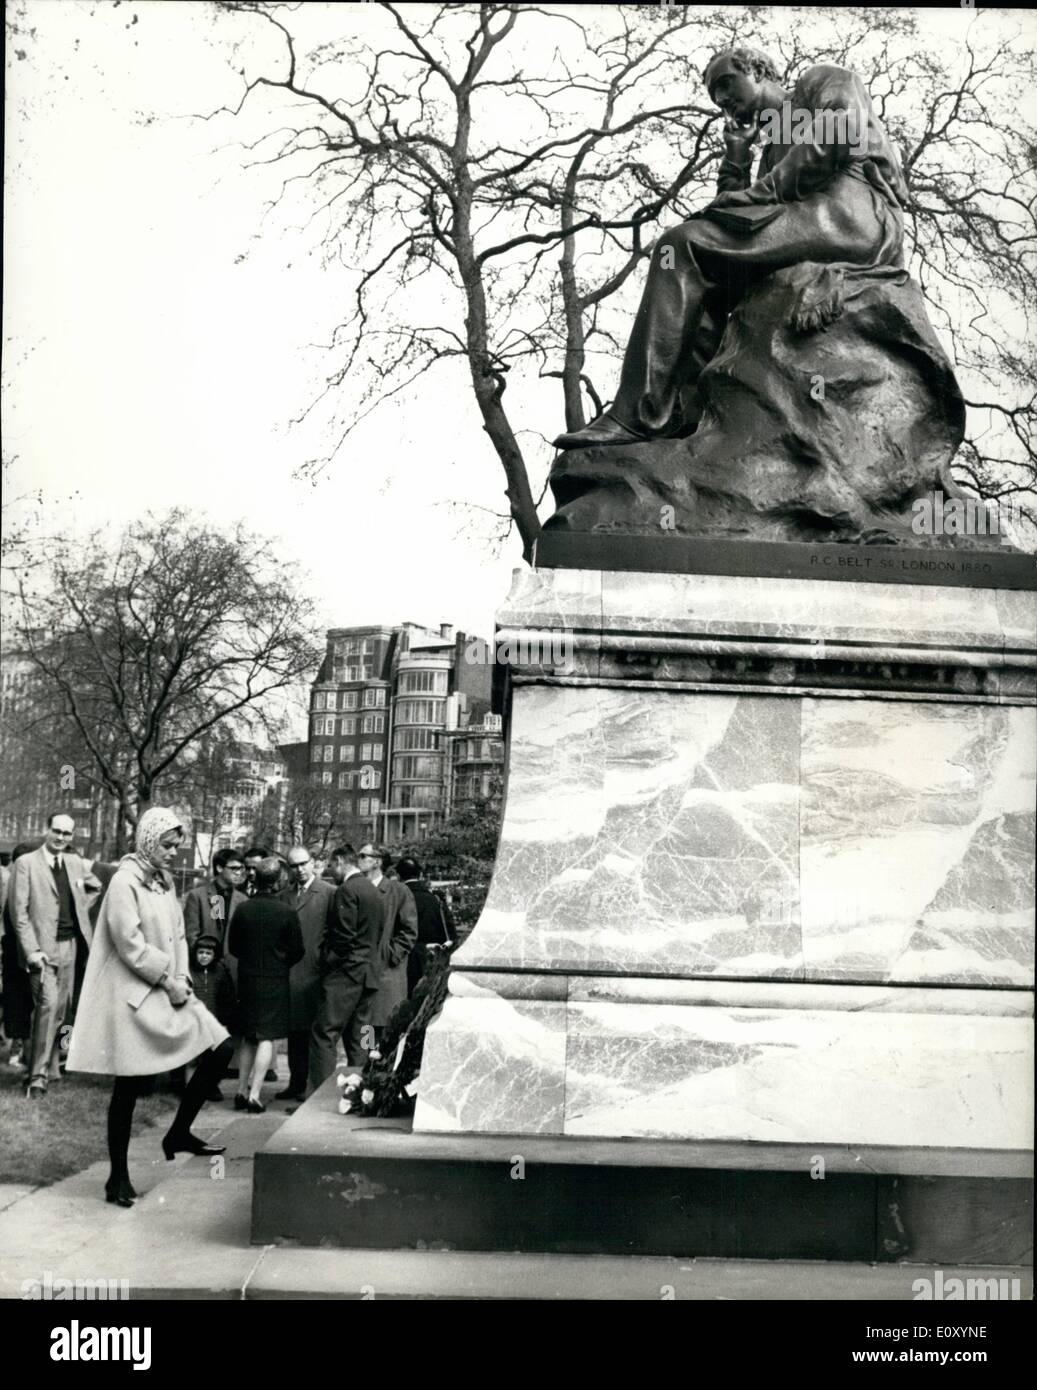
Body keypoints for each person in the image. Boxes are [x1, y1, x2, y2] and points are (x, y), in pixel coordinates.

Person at [554, 46, 908, 450]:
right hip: (814, 222)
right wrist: (737, 158)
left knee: (682, 246)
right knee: (700, 278)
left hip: (851, 214)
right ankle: (687, 421)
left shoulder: (820, 81)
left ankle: (638, 416)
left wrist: (767, 188)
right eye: (714, 96)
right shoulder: (772, 150)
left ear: (759, 70)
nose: (721, 99)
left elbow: (837, 133)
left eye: (726, 83)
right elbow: (732, 217)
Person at [65, 808, 233, 1208]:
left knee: (221, 1047)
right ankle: (117, 1177)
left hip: (170, 986)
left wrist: (182, 979)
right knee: (130, 1086)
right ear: (147, 840)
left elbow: (176, 934)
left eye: (177, 845)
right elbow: (129, 944)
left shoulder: (164, 881)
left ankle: (178, 1133)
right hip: (133, 994)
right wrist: (167, 979)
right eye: (167, 844)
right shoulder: (125, 881)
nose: (174, 852)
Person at [10, 813, 101, 1099]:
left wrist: (81, 911)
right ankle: (36, 1078)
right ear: (46, 830)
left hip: (71, 946)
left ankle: (48, 1066)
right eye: (57, 831)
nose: (61, 838)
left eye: (67, 834)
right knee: (47, 1008)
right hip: (42, 951)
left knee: (61, 1011)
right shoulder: (26, 864)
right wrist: (32, 950)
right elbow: (18, 914)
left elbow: (95, 885)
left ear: (72, 836)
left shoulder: (74, 863)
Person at [228, 857, 303, 1113]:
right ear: (278, 880)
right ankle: (255, 1095)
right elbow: (298, 950)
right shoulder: (286, 912)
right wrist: (279, 962)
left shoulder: (243, 909)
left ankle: (240, 1090)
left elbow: (233, 947)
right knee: (267, 1037)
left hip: (247, 977)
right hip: (274, 979)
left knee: (249, 1036)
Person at [308, 844, 385, 1092]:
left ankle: (318, 1095)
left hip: (346, 973)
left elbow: (343, 937)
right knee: (362, 1033)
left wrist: (327, 960)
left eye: (331, 865)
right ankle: (361, 1087)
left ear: (341, 861)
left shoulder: (347, 890)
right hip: (369, 973)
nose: (331, 871)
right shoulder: (373, 891)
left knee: (324, 1033)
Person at [277, 846, 335, 1102]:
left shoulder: (329, 894)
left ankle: (313, 1086)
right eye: (294, 866)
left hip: (316, 972)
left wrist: (326, 962)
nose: (299, 870)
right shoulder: (284, 896)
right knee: (294, 1033)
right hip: (290, 974)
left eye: (303, 864)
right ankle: (296, 1081)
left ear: (313, 863)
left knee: (315, 1032)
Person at [357, 845, 418, 1051]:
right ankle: (363, 1075)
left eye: (363, 855)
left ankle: (380, 1077)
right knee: (366, 1034)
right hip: (360, 977)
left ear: (378, 861)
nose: (359, 859)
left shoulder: (398, 891)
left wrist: (388, 956)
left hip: (386, 976)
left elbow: (409, 931)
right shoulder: (356, 889)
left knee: (386, 1035)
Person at [186, 933, 238, 1100]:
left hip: (213, 1020)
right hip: (192, 1019)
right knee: (191, 1057)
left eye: (208, 953)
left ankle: (211, 1086)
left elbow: (227, 997)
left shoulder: (220, 972)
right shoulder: (189, 971)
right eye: (200, 952)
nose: (204, 957)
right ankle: (187, 1087)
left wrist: (225, 1020)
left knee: (212, 1056)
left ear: (214, 955)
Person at [396, 857, 456, 997]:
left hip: (405, 962)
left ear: (399, 876)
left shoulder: (398, 898)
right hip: (432, 962)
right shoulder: (435, 899)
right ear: (420, 875)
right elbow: (450, 933)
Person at [183, 849, 248, 973]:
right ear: (219, 868)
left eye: (241, 868)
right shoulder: (197, 896)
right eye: (234, 868)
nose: (239, 873)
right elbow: (191, 935)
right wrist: (202, 962)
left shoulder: (243, 900)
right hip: (203, 968)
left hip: (232, 970)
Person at [1, 843, 36, 1069]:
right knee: (18, 1005)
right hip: (17, 952)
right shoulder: (9, 882)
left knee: (24, 1007)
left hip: (29, 951)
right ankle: (20, 1051)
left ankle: (63, 1050)